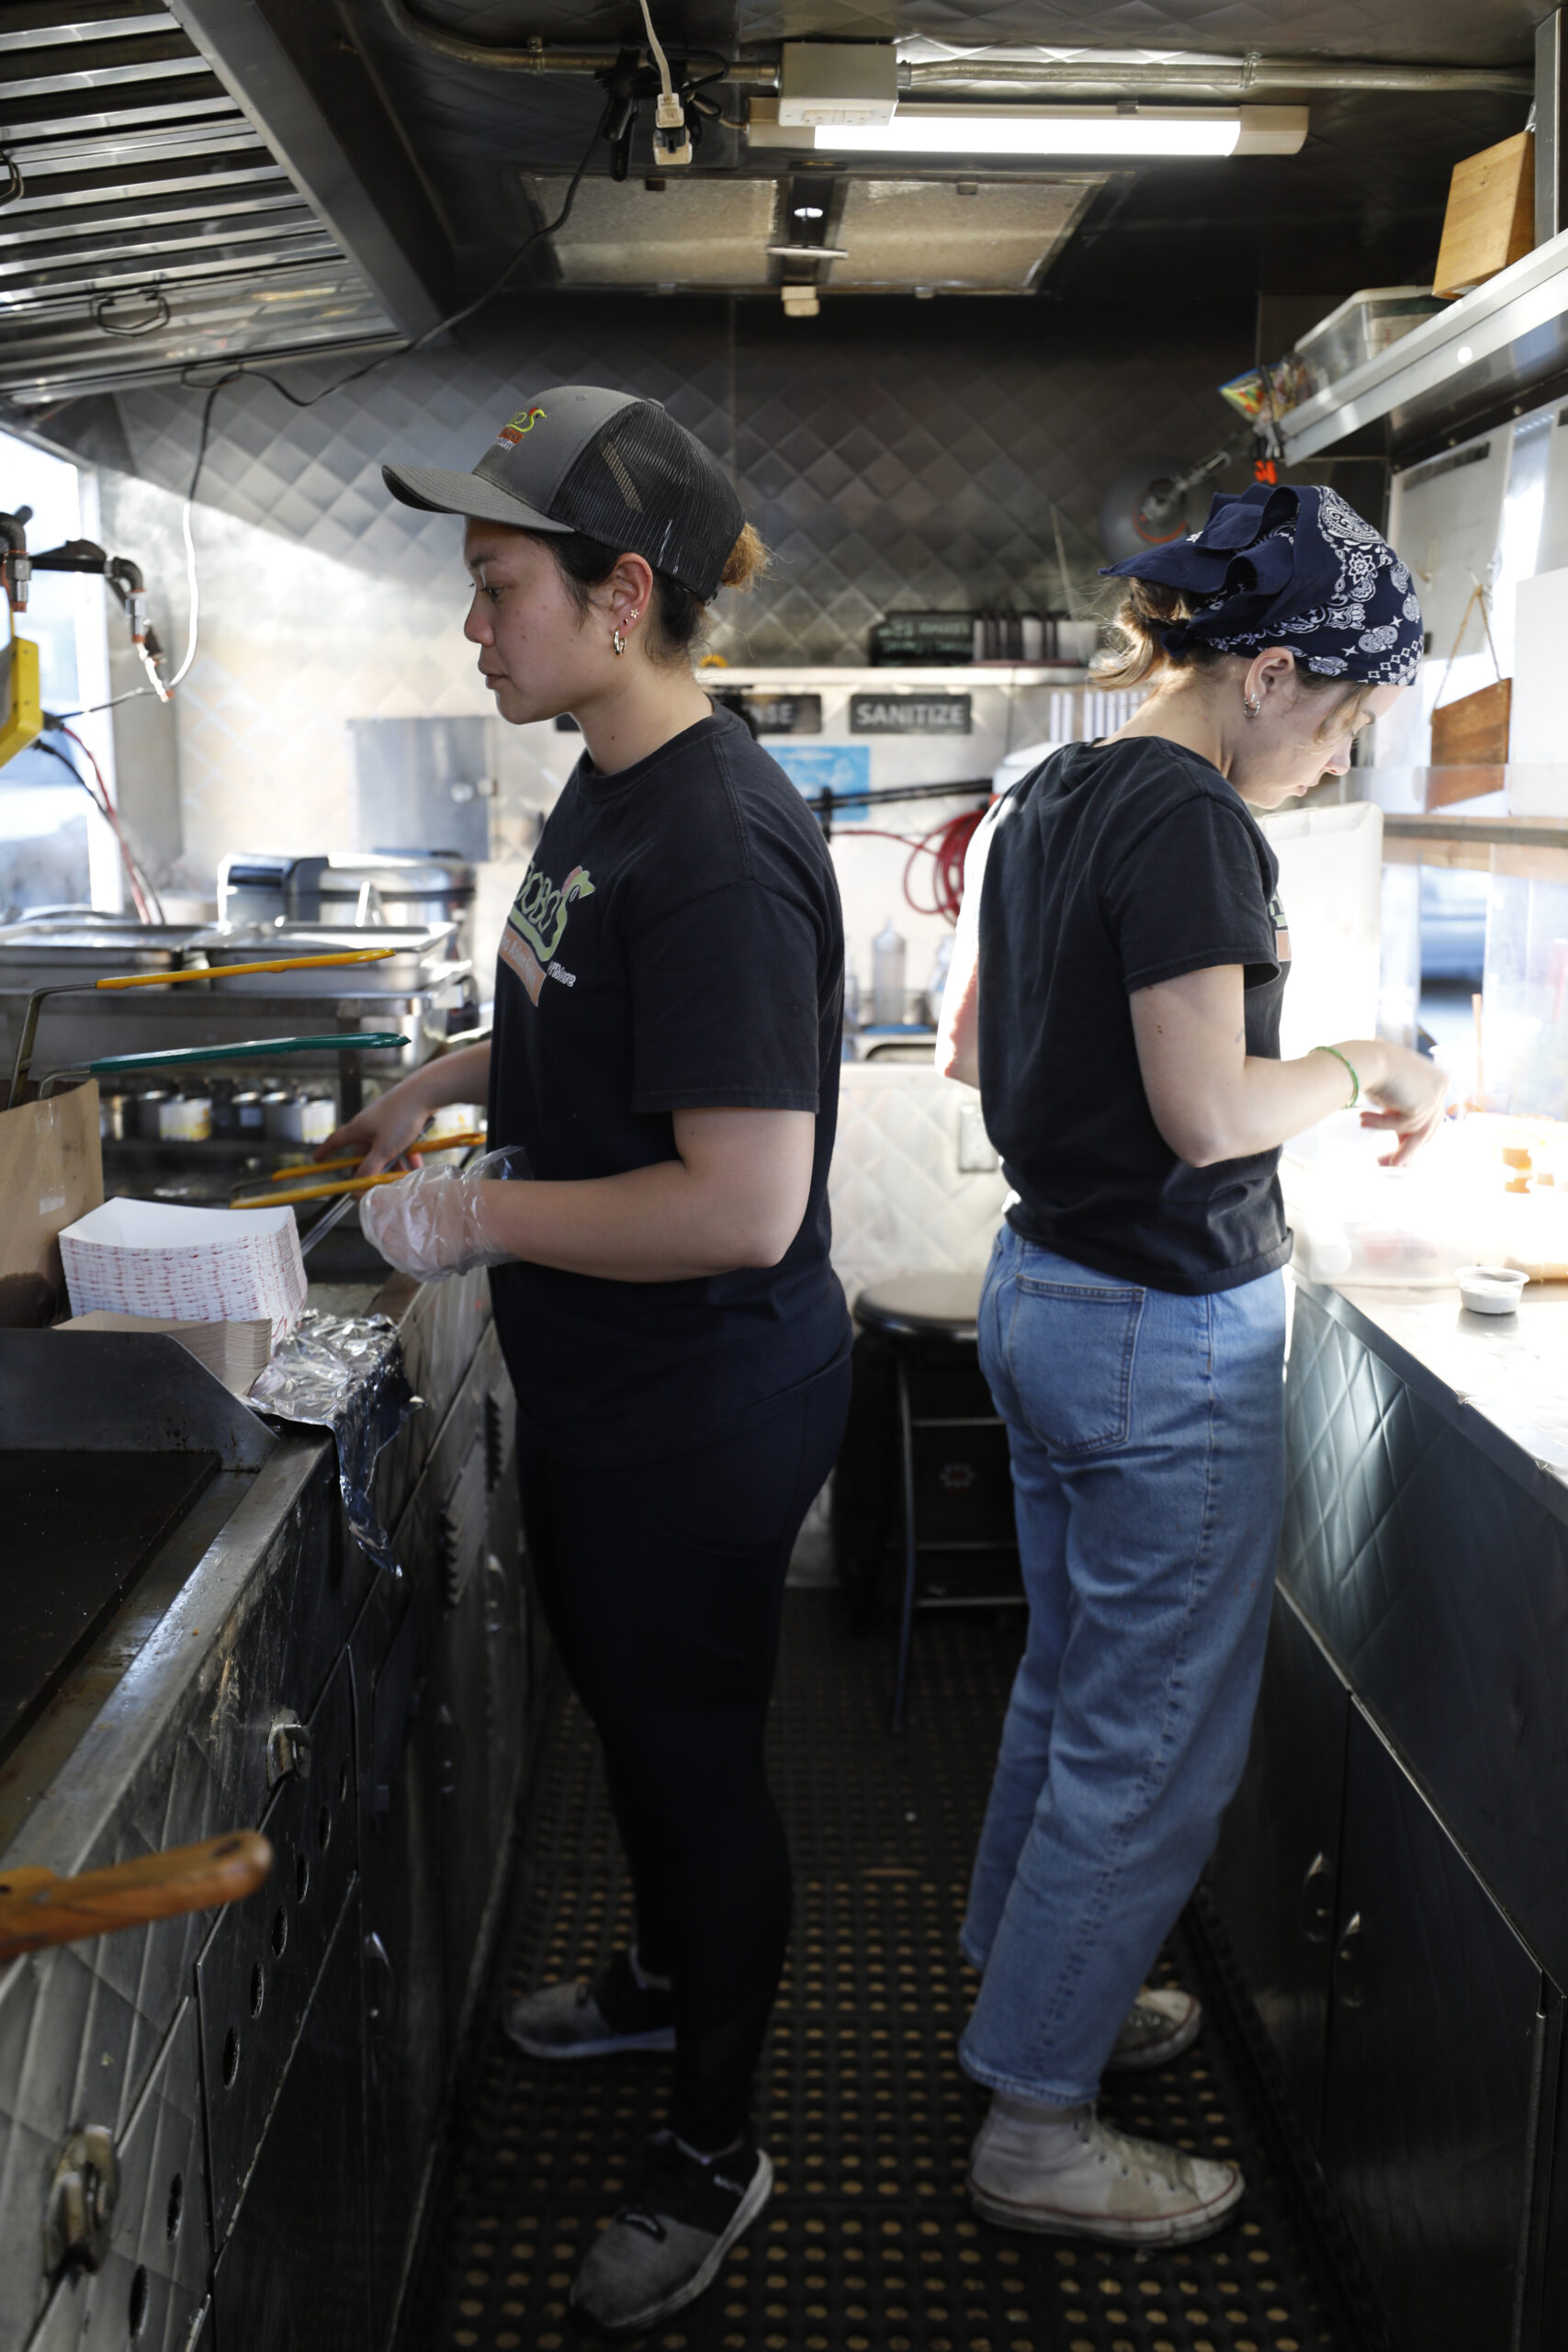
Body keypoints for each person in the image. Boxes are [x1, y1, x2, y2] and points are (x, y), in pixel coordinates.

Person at [321, 386, 852, 2335]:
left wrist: (475, 1216)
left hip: (700, 1396)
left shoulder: (710, 838)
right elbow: (581, 1004)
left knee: (696, 1759)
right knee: (636, 1721)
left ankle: (716, 2140)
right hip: (616, 1382)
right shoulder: (606, 776)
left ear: (621, 594)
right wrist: (455, 1078)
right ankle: (654, 1981)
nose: (474, 626)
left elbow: (738, 1203)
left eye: (496, 584)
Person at [936, 481, 1448, 2245]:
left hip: (1052, 1289)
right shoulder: (1192, 821)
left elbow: (984, 1052)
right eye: (1351, 712)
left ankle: (1026, 1998)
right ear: (1274, 671)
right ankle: (1036, 2125)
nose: (1343, 747)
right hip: (1159, 1330)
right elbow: (1213, 1113)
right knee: (1151, 1748)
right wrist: (1370, 1065)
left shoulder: (1064, 786)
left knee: (1075, 1692)